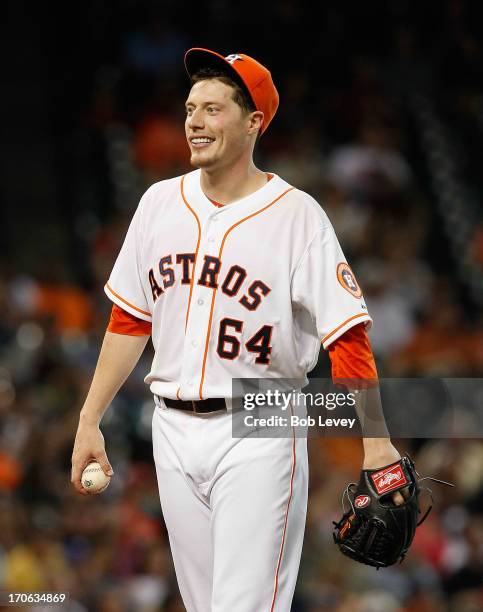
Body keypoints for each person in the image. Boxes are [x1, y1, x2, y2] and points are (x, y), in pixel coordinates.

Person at [71, 48, 404, 611]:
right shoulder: (158, 203)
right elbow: (130, 318)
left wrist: (375, 441)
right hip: (171, 429)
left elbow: (347, 337)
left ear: (253, 122)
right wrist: (89, 419)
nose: (195, 122)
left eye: (213, 109)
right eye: (190, 108)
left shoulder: (297, 215)